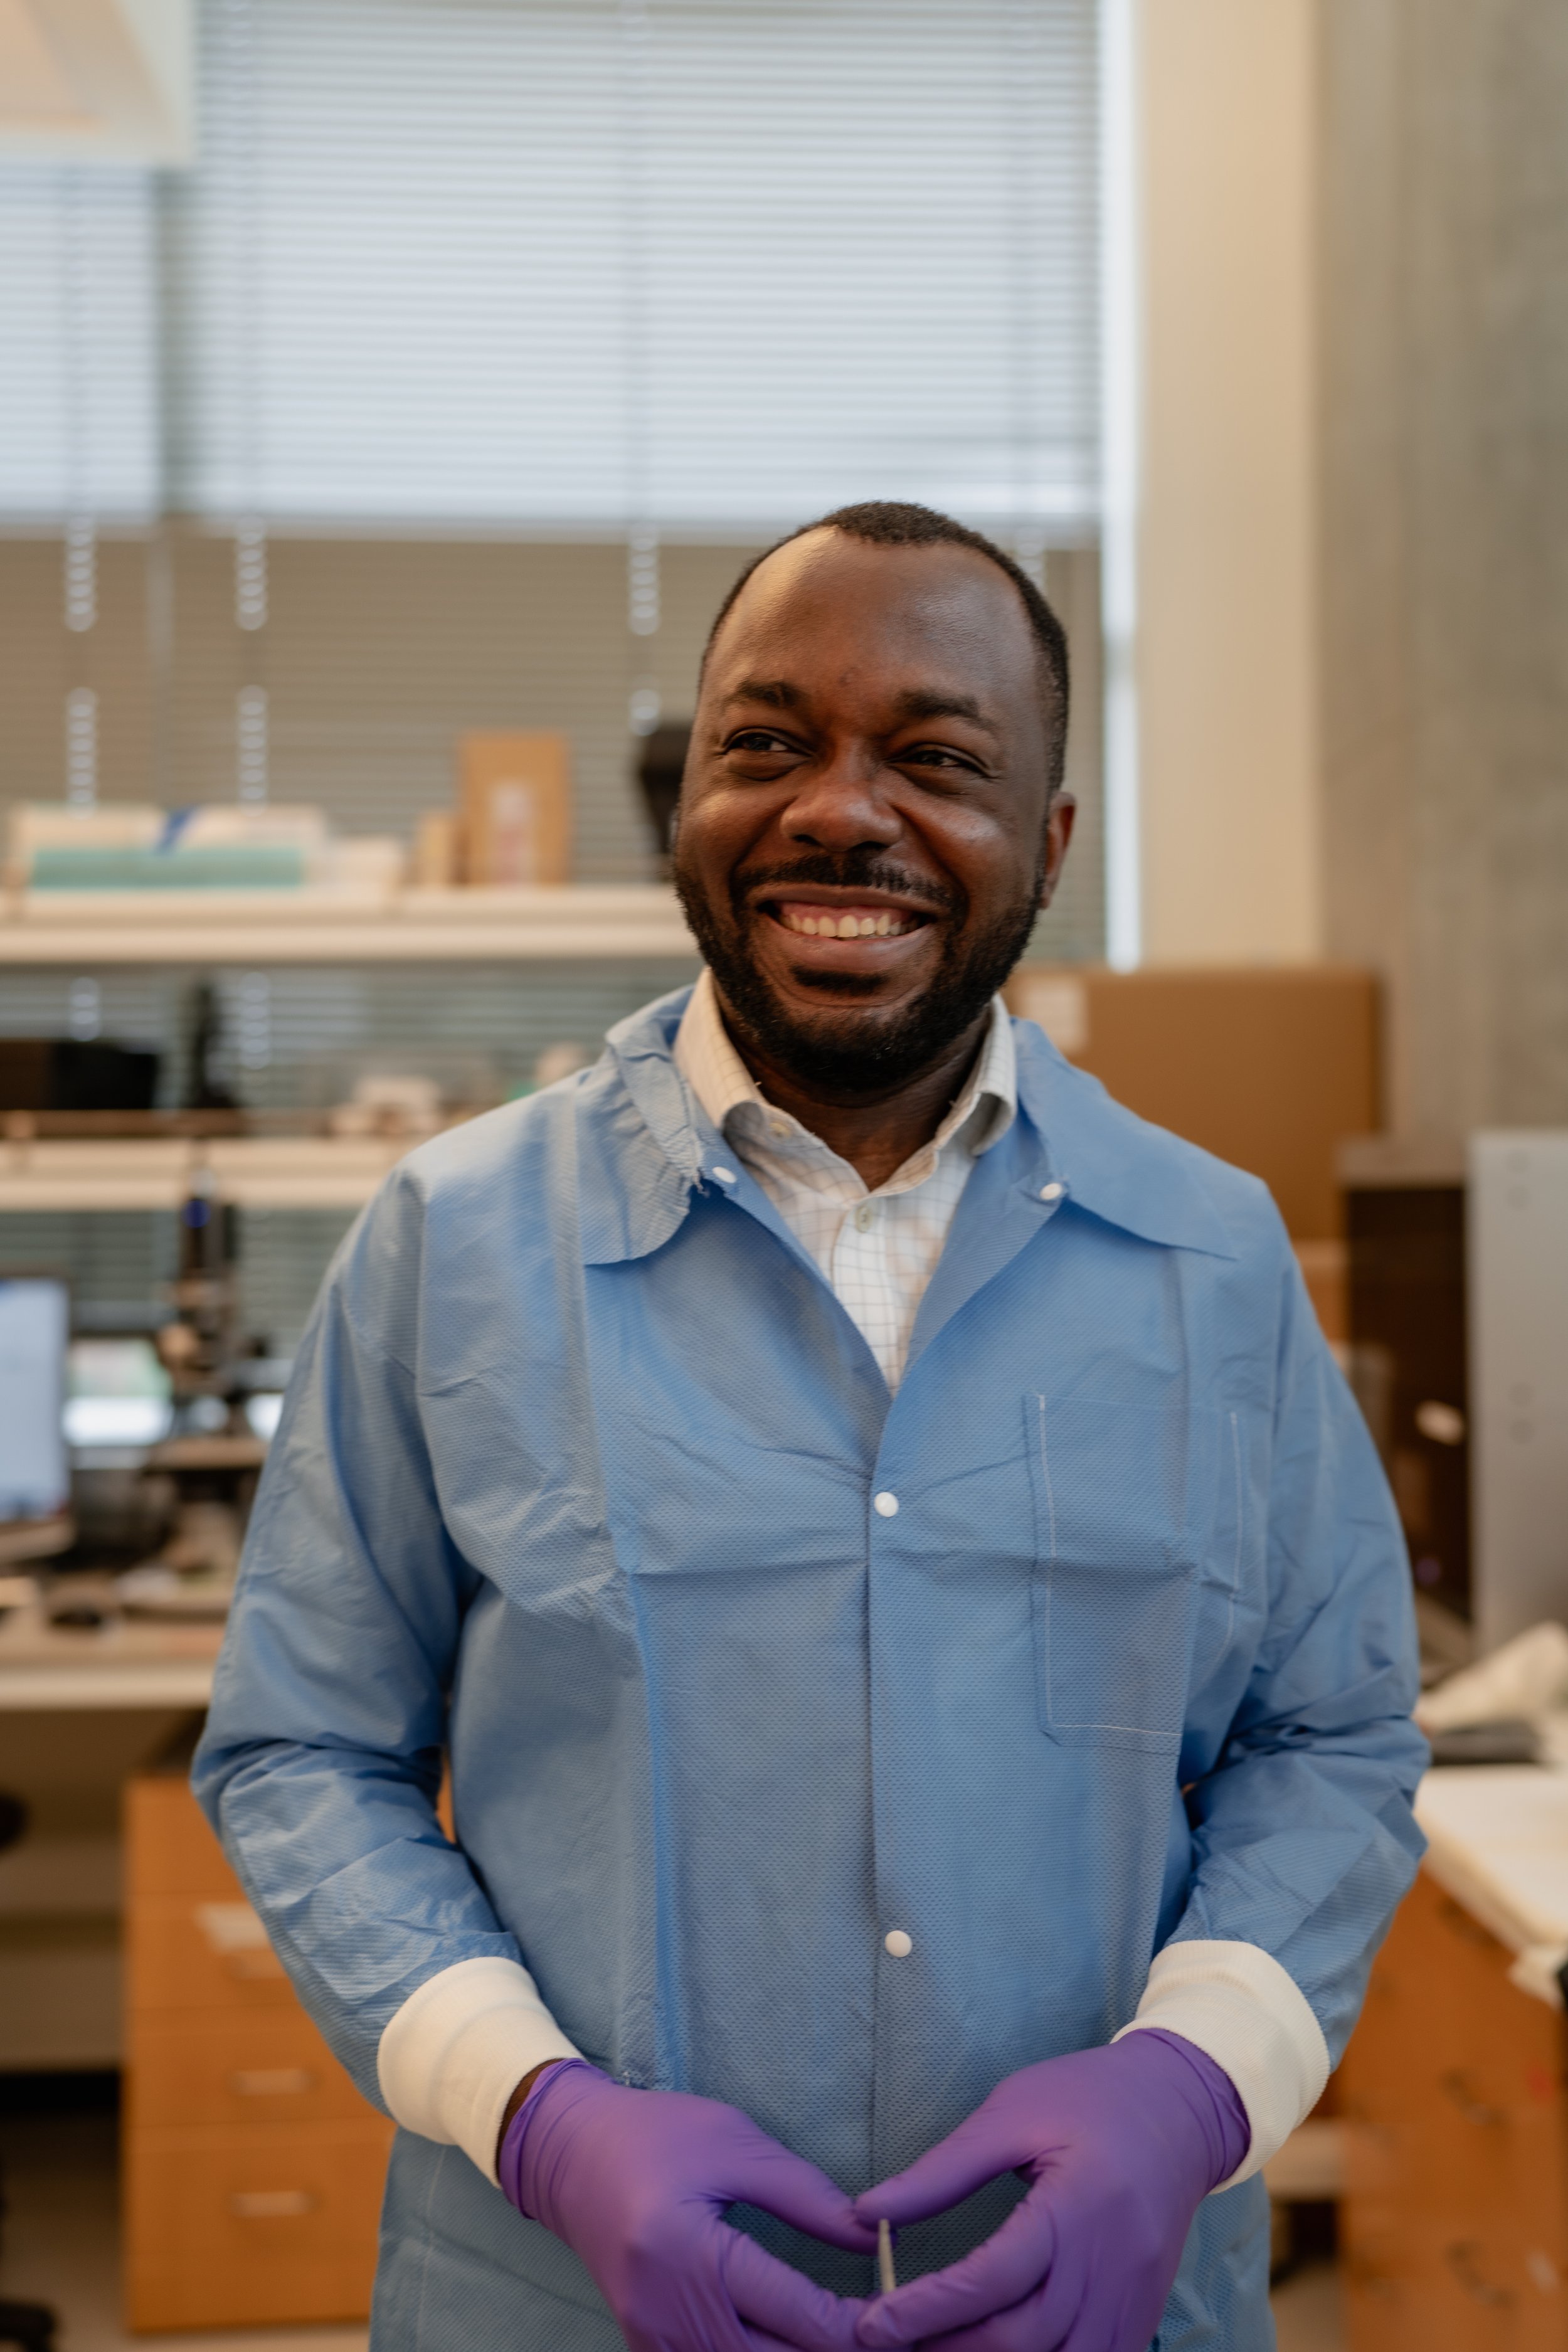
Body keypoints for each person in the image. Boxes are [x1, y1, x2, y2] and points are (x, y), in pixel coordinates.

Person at [194, 502, 1426, 2352]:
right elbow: (304, 1754)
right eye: (765, 745)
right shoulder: (451, 1242)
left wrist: (1195, 2079)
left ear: (1049, 841)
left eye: (937, 760)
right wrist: (531, 2115)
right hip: (559, 2307)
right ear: (685, 796)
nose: (840, 810)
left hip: (1100, 2310)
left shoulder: (1210, 1257)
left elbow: (1327, 1735)